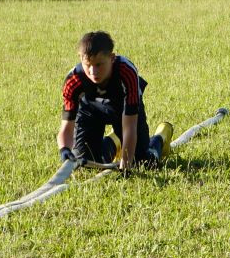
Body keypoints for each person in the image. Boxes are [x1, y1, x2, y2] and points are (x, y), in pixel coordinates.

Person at [57, 30, 165, 169]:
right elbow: (66, 127)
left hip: (122, 111)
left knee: (143, 163)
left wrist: (125, 166)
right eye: (88, 65)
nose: (93, 72)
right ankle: (114, 141)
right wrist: (64, 149)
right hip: (90, 111)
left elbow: (130, 126)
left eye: (99, 65)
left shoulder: (126, 72)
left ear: (112, 58)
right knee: (86, 163)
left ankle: (159, 138)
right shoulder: (73, 80)